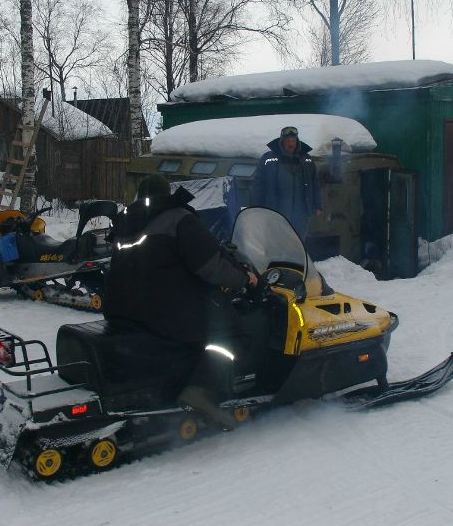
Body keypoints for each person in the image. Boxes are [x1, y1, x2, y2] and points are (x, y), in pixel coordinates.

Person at [103, 174, 258, 430]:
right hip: (162, 312)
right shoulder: (179, 218)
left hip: (122, 309)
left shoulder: (126, 222)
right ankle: (202, 390)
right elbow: (211, 265)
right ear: (168, 193)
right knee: (233, 331)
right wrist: (244, 278)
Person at [252, 126, 322, 240]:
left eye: (293, 140)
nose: (291, 144)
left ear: (297, 141)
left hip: (301, 211)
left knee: (298, 239)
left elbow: (315, 183)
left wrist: (318, 205)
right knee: (278, 239)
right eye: (288, 141)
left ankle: (297, 257)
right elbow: (258, 185)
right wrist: (256, 207)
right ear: (282, 142)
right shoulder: (268, 159)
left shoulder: (307, 160)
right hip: (277, 209)